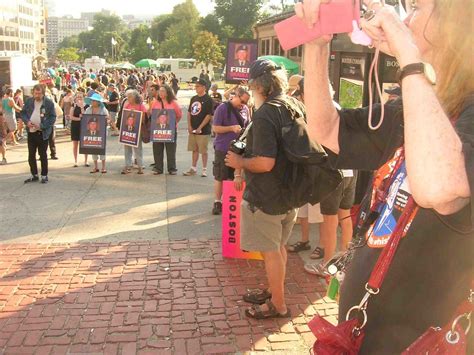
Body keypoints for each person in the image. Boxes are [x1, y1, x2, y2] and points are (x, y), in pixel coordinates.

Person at [297, 0, 473, 352]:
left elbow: (440, 188)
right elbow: (326, 129)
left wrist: (409, 55)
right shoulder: (420, 106)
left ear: (455, 21)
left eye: (418, 8)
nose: (404, 18)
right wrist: (316, 46)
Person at [225, 59, 305, 319]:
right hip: (289, 194)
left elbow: (265, 162)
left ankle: (278, 305)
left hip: (267, 196)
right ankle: (275, 292)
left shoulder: (266, 112)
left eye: (250, 86)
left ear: (258, 85)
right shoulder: (294, 104)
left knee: (271, 252)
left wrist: (239, 162)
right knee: (279, 248)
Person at [211, 86, 250, 215]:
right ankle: (218, 201)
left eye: (246, 102)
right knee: (220, 176)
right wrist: (231, 128)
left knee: (234, 177)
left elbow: (248, 126)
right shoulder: (223, 108)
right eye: (242, 101)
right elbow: (215, 128)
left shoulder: (245, 109)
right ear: (236, 95)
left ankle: (231, 202)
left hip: (239, 148)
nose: (243, 105)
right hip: (223, 147)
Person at [20, 84, 56, 184]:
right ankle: (34, 174)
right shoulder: (29, 101)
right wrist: (27, 122)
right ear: (33, 93)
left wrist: (42, 125)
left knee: (42, 155)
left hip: (42, 133)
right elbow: (23, 113)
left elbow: (53, 117)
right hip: (31, 133)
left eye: (39, 93)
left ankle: (44, 175)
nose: (37, 95)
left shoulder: (48, 103)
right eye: (36, 93)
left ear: (43, 93)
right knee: (31, 155)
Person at [149, 84, 182, 175]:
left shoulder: (173, 103)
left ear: (167, 93)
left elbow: (179, 115)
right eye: (160, 91)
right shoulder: (155, 102)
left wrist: (173, 124)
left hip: (170, 129)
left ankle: (172, 168)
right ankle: (158, 168)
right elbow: (152, 114)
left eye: (163, 91)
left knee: (171, 149)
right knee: (157, 148)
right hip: (157, 129)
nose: (160, 93)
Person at [183, 79, 214, 177]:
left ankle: (204, 169)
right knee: (194, 149)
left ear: (204, 87)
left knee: (203, 150)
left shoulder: (209, 99)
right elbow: (189, 112)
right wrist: (189, 125)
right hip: (193, 128)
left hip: (204, 130)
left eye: (198, 86)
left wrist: (200, 127)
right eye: (195, 86)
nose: (196, 88)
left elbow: (209, 115)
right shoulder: (193, 98)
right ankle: (193, 167)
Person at [121, 89, 147, 175]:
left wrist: (136, 113)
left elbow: (144, 117)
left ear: (135, 97)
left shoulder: (140, 105)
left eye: (130, 97)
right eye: (127, 97)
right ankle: (128, 166)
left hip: (137, 130)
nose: (128, 98)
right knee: (127, 148)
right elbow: (124, 117)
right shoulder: (127, 105)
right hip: (127, 130)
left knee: (138, 149)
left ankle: (140, 166)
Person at [84, 93, 108, 174]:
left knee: (102, 149)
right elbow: (85, 119)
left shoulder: (103, 109)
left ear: (98, 102)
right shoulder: (88, 109)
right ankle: (95, 167)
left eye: (94, 100)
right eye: (92, 100)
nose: (93, 102)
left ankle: (103, 167)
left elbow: (108, 118)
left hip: (101, 132)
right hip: (91, 133)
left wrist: (105, 120)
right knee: (93, 149)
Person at [70, 89, 89, 167]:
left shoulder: (87, 106)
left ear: (83, 97)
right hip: (75, 126)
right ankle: (75, 161)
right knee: (75, 144)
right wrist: (79, 119)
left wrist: (81, 107)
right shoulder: (73, 106)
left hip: (84, 127)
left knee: (84, 144)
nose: (79, 98)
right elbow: (71, 117)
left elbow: (86, 117)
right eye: (77, 97)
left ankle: (86, 161)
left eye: (80, 97)